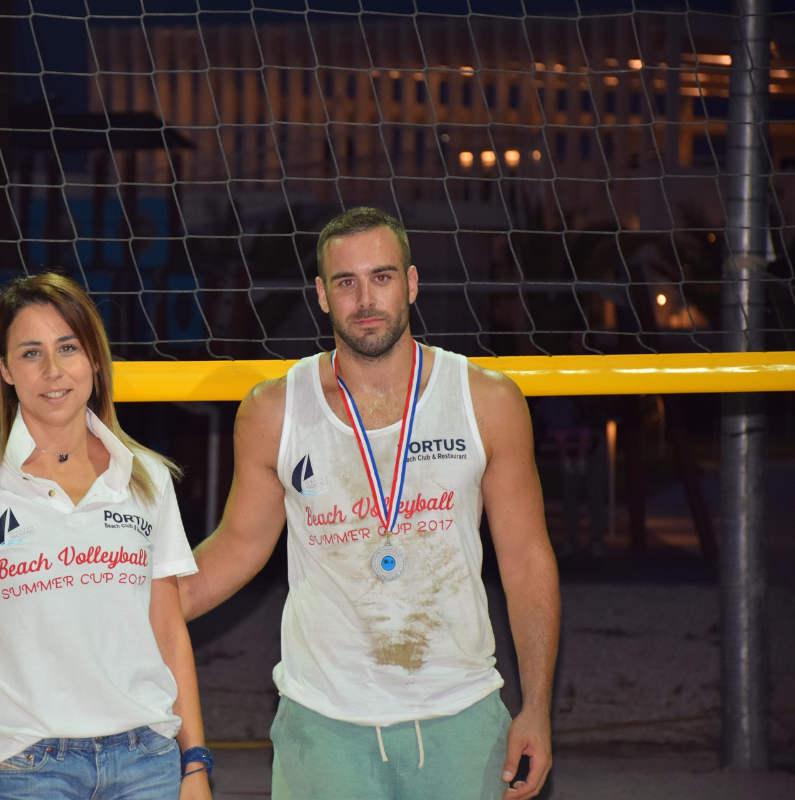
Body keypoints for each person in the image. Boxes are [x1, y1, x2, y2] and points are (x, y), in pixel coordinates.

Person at [179, 207, 560, 800]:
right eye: (345, 282)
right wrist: (135, 606)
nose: (364, 300)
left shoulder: (486, 400)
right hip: (323, 724)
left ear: (411, 283)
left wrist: (536, 706)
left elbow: (527, 559)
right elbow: (237, 546)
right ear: (321, 295)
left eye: (381, 278)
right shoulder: (274, 410)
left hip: (459, 713)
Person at [0, 273, 212, 800]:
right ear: (4, 369)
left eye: (68, 348)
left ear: (95, 360)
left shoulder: (145, 477)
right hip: (26, 767)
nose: (53, 371)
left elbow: (169, 630)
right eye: (31, 353)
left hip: (147, 761)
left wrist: (194, 763)